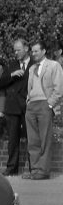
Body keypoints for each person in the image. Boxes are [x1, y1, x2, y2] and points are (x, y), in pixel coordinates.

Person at [23, 39, 63, 180]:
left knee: (45, 139)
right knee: (33, 140)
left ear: (44, 51)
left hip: (45, 104)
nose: (33, 54)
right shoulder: (32, 68)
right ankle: (35, 170)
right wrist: (28, 101)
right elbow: (30, 87)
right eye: (32, 51)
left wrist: (50, 104)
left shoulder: (54, 65)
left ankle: (43, 171)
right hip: (32, 105)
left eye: (36, 51)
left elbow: (59, 88)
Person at [0, 38, 31, 175]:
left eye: (18, 50)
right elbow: (0, 83)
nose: (16, 53)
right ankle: (12, 168)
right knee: (13, 139)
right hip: (12, 107)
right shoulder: (12, 65)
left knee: (31, 139)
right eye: (15, 50)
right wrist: (12, 75)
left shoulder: (34, 64)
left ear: (26, 48)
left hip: (28, 106)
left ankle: (32, 168)